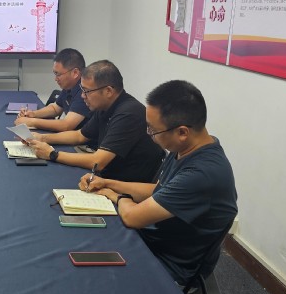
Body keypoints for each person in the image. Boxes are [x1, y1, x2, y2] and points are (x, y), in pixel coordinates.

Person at [78, 80, 238, 283]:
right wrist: (107, 182)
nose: (149, 135)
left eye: (153, 130)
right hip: (155, 238)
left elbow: (133, 217)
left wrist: (113, 194)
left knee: (88, 268)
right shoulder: (189, 147)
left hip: (168, 262)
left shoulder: (202, 174)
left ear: (182, 132)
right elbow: (159, 189)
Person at [27, 60, 163, 181]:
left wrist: (52, 154)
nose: (82, 96)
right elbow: (79, 135)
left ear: (108, 91)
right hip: (106, 177)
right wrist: (42, 138)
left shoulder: (128, 114)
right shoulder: (105, 106)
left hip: (122, 186)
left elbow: (98, 162)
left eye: (87, 91)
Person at [14, 48, 91, 132]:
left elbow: (66, 125)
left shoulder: (85, 91)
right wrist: (33, 114)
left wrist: (32, 122)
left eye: (58, 74)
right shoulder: (70, 85)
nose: (55, 79)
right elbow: (56, 108)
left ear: (75, 73)